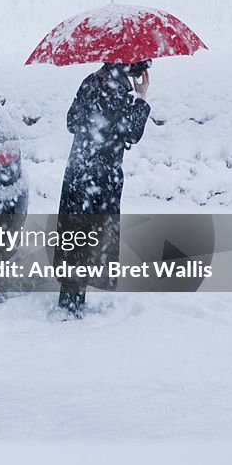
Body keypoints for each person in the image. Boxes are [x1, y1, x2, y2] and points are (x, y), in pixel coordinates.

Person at [55, 60, 151, 317]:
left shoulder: (91, 80)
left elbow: (72, 122)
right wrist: (141, 98)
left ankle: (70, 301)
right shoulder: (118, 90)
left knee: (75, 236)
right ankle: (72, 308)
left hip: (78, 172)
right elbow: (130, 132)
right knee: (92, 236)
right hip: (102, 177)